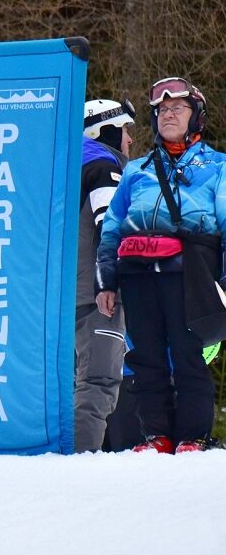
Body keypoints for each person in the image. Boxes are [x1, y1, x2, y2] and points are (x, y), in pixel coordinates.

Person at [95, 77, 226, 454]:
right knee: (144, 357)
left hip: (188, 276)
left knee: (188, 357)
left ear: (195, 117)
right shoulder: (136, 170)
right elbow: (113, 228)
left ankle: (193, 437)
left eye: (177, 109)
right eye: (162, 110)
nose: (168, 115)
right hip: (136, 274)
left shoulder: (216, 168)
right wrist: (106, 280)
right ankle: (157, 436)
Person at [74, 98, 135, 452]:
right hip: (97, 294)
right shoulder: (103, 165)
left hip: (61, 292)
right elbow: (109, 229)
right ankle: (79, 467)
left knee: (70, 385)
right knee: (98, 382)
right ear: (104, 130)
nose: (129, 140)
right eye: (125, 130)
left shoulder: (65, 166)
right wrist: (110, 281)